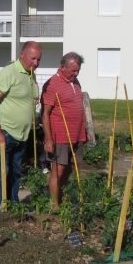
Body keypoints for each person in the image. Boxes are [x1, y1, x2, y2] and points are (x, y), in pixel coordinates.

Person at [0, 41, 42, 213]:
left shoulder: (31, 75)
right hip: (4, 132)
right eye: (33, 59)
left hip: (21, 135)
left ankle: (12, 208)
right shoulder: (9, 72)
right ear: (22, 55)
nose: (36, 63)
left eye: (39, 60)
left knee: (15, 173)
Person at [42, 52, 86, 207]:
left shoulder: (75, 82)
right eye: (73, 70)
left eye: (78, 70)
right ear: (62, 67)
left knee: (70, 170)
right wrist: (48, 139)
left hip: (77, 135)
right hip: (60, 136)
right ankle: (54, 206)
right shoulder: (53, 84)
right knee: (57, 172)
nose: (76, 73)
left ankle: (65, 200)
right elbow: (45, 113)